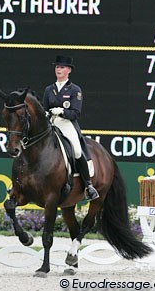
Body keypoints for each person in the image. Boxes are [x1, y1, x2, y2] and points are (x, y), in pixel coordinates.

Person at [43, 55, 99, 202]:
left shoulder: (74, 90)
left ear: (69, 70)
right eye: (57, 67)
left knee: (76, 150)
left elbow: (75, 113)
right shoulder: (49, 89)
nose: (58, 69)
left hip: (67, 124)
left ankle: (88, 185)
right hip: (52, 124)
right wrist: (47, 113)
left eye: (61, 67)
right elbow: (44, 109)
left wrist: (61, 112)